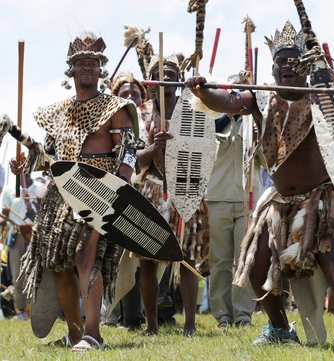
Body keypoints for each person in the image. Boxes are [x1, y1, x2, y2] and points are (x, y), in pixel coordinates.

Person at [185, 20, 334, 347]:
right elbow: (228, 102)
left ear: (306, 65)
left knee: (329, 255)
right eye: (281, 61)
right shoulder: (261, 98)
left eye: (293, 60)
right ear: (272, 69)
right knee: (256, 263)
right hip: (278, 203)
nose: (287, 65)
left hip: (320, 198)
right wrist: (202, 90)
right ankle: (279, 329)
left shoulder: (323, 97)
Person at [12, 33, 138, 351]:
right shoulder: (57, 113)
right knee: (58, 263)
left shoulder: (115, 107)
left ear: (100, 70)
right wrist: (24, 165)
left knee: (86, 257)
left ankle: (94, 333)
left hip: (99, 188)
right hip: (62, 193)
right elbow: (49, 158)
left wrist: (119, 190)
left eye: (92, 63)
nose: (87, 67)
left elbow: (129, 153)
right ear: (71, 70)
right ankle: (76, 332)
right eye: (81, 62)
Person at [135, 53, 210, 336]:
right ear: (152, 83)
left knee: (188, 258)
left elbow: (206, 144)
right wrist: (154, 148)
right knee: (147, 260)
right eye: (160, 74)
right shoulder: (141, 114)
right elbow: (134, 158)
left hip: (186, 189)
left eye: (171, 74)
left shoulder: (194, 108)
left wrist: (201, 89)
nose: (167, 79)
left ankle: (190, 324)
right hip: (152, 188)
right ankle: (152, 324)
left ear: (179, 80)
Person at [205, 109, 262, 328]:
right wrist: (228, 116)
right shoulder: (215, 119)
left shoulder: (256, 121)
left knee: (246, 259)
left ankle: (243, 315)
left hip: (248, 198)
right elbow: (206, 144)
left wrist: (258, 138)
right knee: (219, 260)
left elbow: (267, 160)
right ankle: (223, 316)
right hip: (217, 196)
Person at [104, 71, 148, 331]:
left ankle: (133, 317)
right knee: (109, 257)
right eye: (124, 94)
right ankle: (110, 316)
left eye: (134, 93)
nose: (130, 97)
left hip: (136, 194)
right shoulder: (105, 119)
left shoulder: (153, 118)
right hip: (105, 193)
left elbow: (132, 155)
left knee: (131, 259)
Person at [0, 176, 39, 321]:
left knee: (38, 273)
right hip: (17, 235)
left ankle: (39, 309)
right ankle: (21, 311)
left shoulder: (39, 188)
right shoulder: (10, 190)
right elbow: (5, 217)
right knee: (18, 274)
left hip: (36, 234)